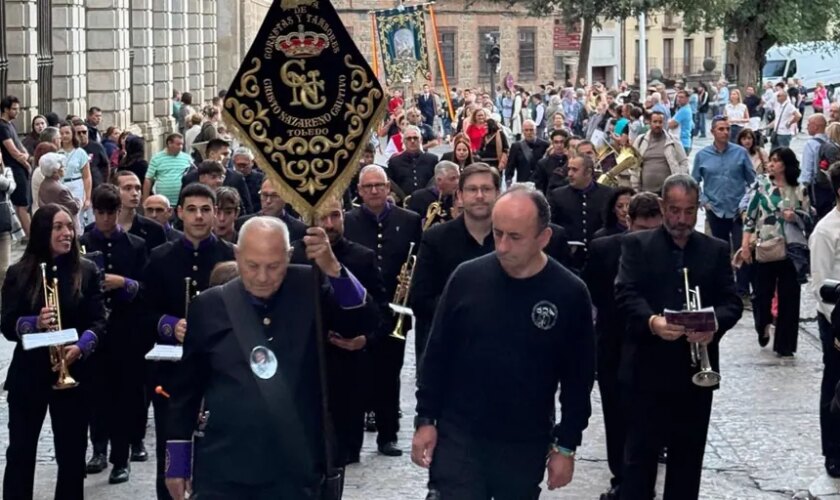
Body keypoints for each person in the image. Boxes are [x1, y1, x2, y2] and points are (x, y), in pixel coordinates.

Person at [164, 217, 378, 499]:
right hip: (225, 464)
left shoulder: (310, 287)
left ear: (289, 256)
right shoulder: (209, 305)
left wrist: (333, 268)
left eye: (274, 266)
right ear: (237, 255)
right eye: (252, 265)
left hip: (296, 465)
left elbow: (363, 320)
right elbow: (186, 389)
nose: (262, 276)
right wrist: (177, 462)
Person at [412, 186, 595, 498]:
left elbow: (578, 378)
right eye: (497, 234)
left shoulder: (569, 293)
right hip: (461, 434)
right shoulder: (466, 278)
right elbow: (437, 353)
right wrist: (425, 419)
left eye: (515, 236)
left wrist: (566, 445)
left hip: (525, 438)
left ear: (544, 238)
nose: (503, 246)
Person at [615, 174, 743, 499]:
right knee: (639, 461)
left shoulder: (714, 249)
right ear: (661, 207)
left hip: (694, 378)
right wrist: (653, 321)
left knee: (688, 463)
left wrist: (713, 324)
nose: (681, 220)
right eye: (674, 210)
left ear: (699, 209)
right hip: (646, 371)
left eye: (689, 212)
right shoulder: (636, 244)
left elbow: (732, 302)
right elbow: (625, 293)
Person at [1, 204, 107, 500]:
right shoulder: (19, 272)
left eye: (70, 227)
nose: (67, 233)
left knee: (72, 456)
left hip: (74, 373)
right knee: (21, 452)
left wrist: (82, 346)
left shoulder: (86, 270)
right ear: (42, 232)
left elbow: (99, 319)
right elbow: (7, 324)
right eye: (58, 227)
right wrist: (33, 322)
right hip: (29, 375)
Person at [143, 183, 236, 499]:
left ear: (216, 213)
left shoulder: (231, 255)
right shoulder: (159, 258)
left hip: (219, 372)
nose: (199, 216)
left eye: (206, 209)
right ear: (179, 213)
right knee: (171, 452)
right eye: (192, 209)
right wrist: (170, 325)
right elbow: (143, 312)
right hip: (171, 371)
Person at [290, 196, 388, 465]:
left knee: (345, 453)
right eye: (323, 217)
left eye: (335, 216)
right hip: (305, 366)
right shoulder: (292, 256)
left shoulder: (362, 257)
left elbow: (379, 313)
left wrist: (364, 340)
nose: (330, 224)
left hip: (348, 369)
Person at [582, 192, 663, 500]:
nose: (647, 236)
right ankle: (621, 479)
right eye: (642, 229)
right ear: (629, 223)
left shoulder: (668, 249)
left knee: (650, 418)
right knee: (616, 417)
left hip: (654, 347)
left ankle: (643, 481)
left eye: (653, 229)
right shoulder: (605, 248)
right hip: (613, 345)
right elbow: (589, 294)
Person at [343, 164, 423, 457]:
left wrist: (408, 291)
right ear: (360, 192)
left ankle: (387, 435)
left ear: (389, 188)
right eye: (368, 187)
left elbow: (418, 262)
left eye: (379, 185)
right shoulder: (348, 221)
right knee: (356, 374)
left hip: (396, 309)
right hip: (360, 309)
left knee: (390, 373)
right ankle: (351, 441)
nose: (374, 191)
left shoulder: (410, 220)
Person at [79, 184, 148, 484]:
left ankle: (122, 458)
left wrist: (124, 283)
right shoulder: (83, 242)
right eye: (101, 213)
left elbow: (146, 288)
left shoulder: (135, 245)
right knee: (96, 394)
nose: (106, 219)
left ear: (119, 212)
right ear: (94, 212)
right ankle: (98, 449)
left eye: (111, 212)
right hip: (94, 330)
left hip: (124, 329)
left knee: (123, 396)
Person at [740, 147, 811, 357]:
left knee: (790, 296)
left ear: (786, 165)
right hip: (766, 246)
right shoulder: (762, 185)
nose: (772, 164)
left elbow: (809, 218)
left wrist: (795, 216)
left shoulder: (800, 189)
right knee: (762, 295)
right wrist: (745, 244)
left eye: (777, 161)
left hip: (791, 249)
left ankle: (786, 344)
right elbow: (751, 215)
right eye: (771, 160)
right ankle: (762, 324)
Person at [810, 162, 840, 477]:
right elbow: (821, 285)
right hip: (837, 317)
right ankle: (833, 451)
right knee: (834, 385)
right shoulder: (826, 231)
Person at [548, 154, 614, 271]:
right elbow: (553, 226)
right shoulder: (558, 195)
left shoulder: (607, 194)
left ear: (588, 172)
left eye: (575, 170)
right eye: (569, 169)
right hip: (569, 260)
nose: (569, 174)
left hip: (598, 259)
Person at [631, 111, 689, 195]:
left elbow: (684, 162)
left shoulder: (673, 141)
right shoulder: (640, 140)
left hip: (668, 192)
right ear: (650, 123)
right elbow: (633, 165)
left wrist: (679, 180)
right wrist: (635, 188)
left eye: (660, 122)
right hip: (645, 192)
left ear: (664, 123)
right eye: (655, 122)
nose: (657, 125)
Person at [234, 177, 307, 242]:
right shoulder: (242, 224)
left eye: (274, 195)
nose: (268, 201)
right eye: (264, 195)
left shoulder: (300, 230)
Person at [112, 170, 167, 252]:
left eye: (138, 188)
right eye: (128, 188)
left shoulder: (155, 229)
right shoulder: (98, 228)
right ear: (114, 191)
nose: (135, 193)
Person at [0, 96, 32, 237]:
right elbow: (12, 151)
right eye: (14, 109)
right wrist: (25, 162)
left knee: (23, 203)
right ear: (6, 109)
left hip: (20, 167)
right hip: (14, 168)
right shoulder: (2, 126)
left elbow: (19, 145)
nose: (17, 112)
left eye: (18, 109)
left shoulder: (10, 125)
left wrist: (25, 155)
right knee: (21, 205)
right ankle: (30, 236)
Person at [387, 126, 438, 201]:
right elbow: (390, 185)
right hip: (402, 204)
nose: (412, 141)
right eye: (409, 138)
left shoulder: (432, 160)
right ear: (404, 141)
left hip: (428, 203)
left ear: (421, 140)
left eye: (415, 138)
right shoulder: (394, 162)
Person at [801, 114, 836, 219]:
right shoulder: (831, 142)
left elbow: (807, 172)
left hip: (817, 189)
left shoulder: (810, 144)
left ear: (816, 126)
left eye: (808, 124)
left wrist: (802, 190)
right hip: (831, 187)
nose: (806, 127)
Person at [405, 161, 459, 227]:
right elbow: (410, 225)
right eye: (452, 179)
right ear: (439, 180)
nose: (457, 182)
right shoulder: (419, 197)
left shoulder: (458, 197)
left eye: (458, 177)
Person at [143, 133, 192, 205]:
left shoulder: (187, 158)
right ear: (169, 143)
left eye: (182, 144)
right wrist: (145, 201)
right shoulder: (157, 158)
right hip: (162, 203)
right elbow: (148, 179)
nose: (181, 147)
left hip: (182, 203)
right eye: (178, 144)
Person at [505, 119, 549, 185]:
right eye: (526, 130)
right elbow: (510, 166)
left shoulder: (545, 145)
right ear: (523, 131)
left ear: (535, 130)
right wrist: (508, 180)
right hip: (523, 182)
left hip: (540, 182)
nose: (529, 132)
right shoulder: (516, 146)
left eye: (531, 130)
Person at [533, 130, 570, 194]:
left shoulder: (571, 161)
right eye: (556, 142)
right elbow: (539, 186)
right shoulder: (543, 163)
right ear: (552, 143)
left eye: (562, 142)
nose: (559, 145)